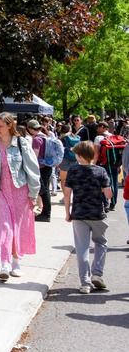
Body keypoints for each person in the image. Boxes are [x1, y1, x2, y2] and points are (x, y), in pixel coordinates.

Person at [0, 112, 40, 279]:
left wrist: (33, 193)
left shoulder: (22, 143)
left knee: (18, 227)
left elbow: (33, 169)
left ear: (9, 125)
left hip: (20, 189)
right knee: (5, 227)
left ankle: (16, 262)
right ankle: (4, 264)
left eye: (1, 126)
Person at [63, 141, 111, 294]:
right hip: (97, 213)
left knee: (82, 248)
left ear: (79, 155)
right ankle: (97, 273)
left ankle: (85, 282)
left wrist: (67, 213)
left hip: (79, 213)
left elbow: (67, 193)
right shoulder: (100, 171)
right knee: (101, 243)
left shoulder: (73, 170)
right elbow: (108, 193)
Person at [26, 119, 52, 222]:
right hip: (48, 166)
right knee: (46, 190)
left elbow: (34, 156)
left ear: (30, 129)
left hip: (40, 167)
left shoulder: (37, 140)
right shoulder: (45, 137)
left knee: (44, 191)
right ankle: (46, 212)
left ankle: (46, 214)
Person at [93, 121, 118, 211]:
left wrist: (93, 164)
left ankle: (105, 202)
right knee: (114, 182)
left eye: (98, 127)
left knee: (103, 183)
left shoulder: (98, 138)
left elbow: (96, 152)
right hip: (114, 163)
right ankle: (113, 203)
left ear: (103, 127)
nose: (97, 129)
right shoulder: (114, 136)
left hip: (103, 164)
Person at [58, 124, 80, 193]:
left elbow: (60, 151)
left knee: (63, 180)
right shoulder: (76, 137)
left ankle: (66, 196)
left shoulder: (62, 138)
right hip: (75, 159)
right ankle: (75, 196)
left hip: (65, 159)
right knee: (75, 180)